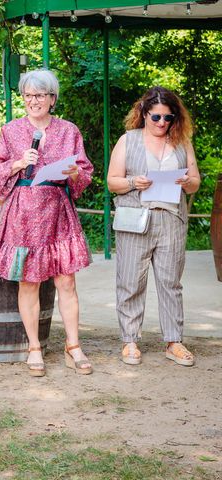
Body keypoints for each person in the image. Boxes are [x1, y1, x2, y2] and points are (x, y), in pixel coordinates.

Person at [0, 69, 94, 377]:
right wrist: (18, 163)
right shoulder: (11, 130)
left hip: (57, 212)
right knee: (28, 281)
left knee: (66, 280)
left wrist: (70, 172)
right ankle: (34, 348)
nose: (33, 101)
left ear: (52, 99)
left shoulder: (69, 131)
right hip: (23, 214)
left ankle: (73, 346)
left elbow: (84, 172)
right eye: (28, 96)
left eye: (40, 95)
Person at [107, 86, 200, 367]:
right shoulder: (128, 140)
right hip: (135, 218)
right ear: (144, 113)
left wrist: (186, 182)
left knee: (170, 282)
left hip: (171, 219)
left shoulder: (182, 142)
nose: (162, 123)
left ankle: (173, 341)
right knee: (131, 281)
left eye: (168, 118)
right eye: (156, 117)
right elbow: (113, 181)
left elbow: (195, 181)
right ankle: (130, 341)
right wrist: (135, 182)